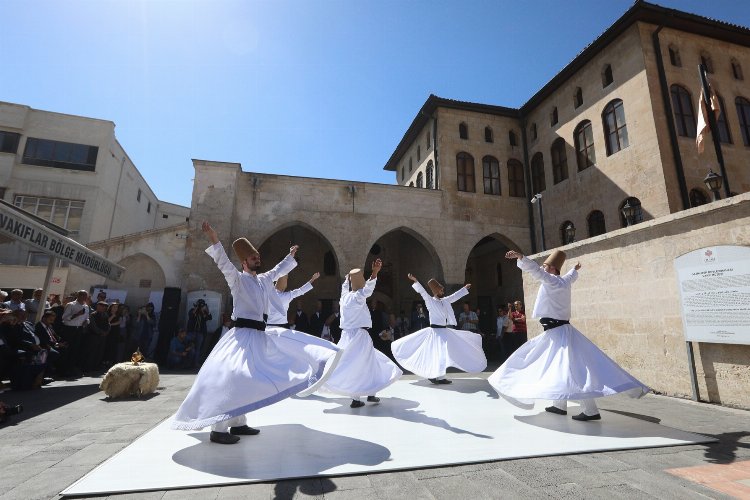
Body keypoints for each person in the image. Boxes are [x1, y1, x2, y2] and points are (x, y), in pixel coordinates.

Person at [171, 221, 340, 444]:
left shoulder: (262, 280)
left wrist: (289, 257)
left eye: (258, 257)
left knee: (248, 379)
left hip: (259, 336)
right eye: (253, 258)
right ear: (244, 262)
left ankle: (238, 422)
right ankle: (218, 428)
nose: (257, 260)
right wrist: (213, 237)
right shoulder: (237, 279)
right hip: (241, 336)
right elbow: (222, 262)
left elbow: (278, 270)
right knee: (232, 376)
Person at [488, 250, 650, 421]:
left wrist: (521, 257)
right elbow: (571, 276)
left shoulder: (550, 280)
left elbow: (535, 270)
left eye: (545, 266)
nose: (543, 268)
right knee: (562, 367)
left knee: (567, 368)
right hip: (560, 331)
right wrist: (575, 268)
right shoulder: (564, 281)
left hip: (557, 333)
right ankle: (560, 405)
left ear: (551, 269)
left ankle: (590, 410)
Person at [318, 260, 402, 408]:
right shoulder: (358, 296)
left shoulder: (344, 298)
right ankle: (370, 392)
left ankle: (357, 397)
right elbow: (368, 290)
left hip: (346, 336)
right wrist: (375, 272)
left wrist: (347, 279)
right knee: (368, 363)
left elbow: (344, 289)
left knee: (351, 365)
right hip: (359, 335)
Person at [392, 275, 486, 385]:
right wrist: (416, 281)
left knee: (442, 355)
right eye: (441, 289)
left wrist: (464, 288)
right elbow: (422, 292)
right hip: (435, 332)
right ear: (436, 291)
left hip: (444, 331)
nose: (443, 291)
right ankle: (433, 375)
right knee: (436, 355)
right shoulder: (430, 301)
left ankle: (440, 377)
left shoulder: (445, 301)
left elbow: (455, 296)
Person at [61, 290, 90, 373]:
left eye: (85, 295)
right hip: (69, 329)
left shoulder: (86, 306)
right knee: (67, 349)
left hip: (79, 329)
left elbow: (87, 318)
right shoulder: (71, 305)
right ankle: (63, 369)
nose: (84, 297)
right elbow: (64, 318)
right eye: (82, 295)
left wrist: (86, 321)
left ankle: (70, 368)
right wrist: (77, 314)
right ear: (78, 295)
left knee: (75, 349)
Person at [187, 299, 212, 367]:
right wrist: (196, 308)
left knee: (198, 349)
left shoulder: (204, 312)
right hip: (192, 332)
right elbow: (191, 315)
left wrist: (206, 310)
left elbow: (209, 318)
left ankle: (195, 363)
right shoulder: (192, 310)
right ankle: (188, 363)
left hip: (200, 333)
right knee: (190, 347)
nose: (200, 307)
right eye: (199, 305)